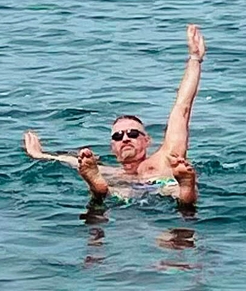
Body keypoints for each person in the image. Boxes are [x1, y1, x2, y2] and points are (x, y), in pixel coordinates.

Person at [23, 25, 206, 209]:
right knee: (109, 190)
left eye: (132, 134)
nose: (125, 138)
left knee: (174, 191)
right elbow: (68, 160)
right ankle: (97, 187)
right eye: (118, 136)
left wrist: (195, 59)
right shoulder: (107, 171)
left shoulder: (166, 158)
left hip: (163, 186)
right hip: (122, 192)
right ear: (113, 148)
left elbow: (182, 107)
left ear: (146, 141)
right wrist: (40, 155)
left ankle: (186, 185)